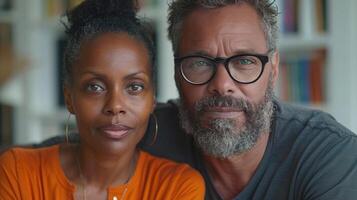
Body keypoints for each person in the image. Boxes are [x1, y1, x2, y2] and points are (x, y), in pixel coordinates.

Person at [2, 0, 357, 200]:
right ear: (174, 73)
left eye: (245, 62)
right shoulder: (147, 129)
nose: (223, 85)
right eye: (200, 63)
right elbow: (61, 156)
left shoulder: (326, 156)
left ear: (274, 68)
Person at [0, 0, 205, 199]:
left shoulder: (177, 187)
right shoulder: (17, 173)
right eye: (95, 87)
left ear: (152, 99)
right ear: (69, 97)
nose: (115, 105)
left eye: (134, 87)